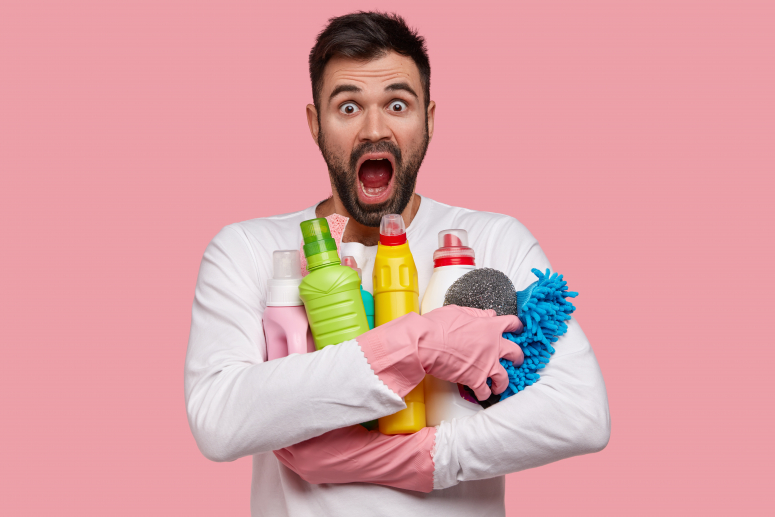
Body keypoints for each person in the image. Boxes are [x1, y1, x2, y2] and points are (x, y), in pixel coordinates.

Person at [185, 11, 609, 516]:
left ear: (428, 119)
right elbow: (220, 419)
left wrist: (416, 458)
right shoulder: (248, 249)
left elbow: (580, 413)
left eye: (397, 104)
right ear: (314, 123)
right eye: (347, 106)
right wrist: (421, 344)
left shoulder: (496, 240)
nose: (373, 128)